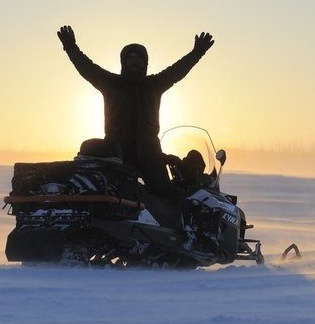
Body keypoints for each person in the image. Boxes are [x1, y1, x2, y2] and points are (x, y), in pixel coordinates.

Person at [57, 25, 214, 198]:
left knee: (166, 196)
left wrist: (196, 53)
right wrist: (71, 48)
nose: (135, 67)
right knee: (115, 196)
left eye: (139, 63)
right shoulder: (111, 83)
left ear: (145, 64)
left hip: (149, 154)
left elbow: (177, 71)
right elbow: (87, 68)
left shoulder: (154, 84)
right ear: (123, 64)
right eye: (131, 62)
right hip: (117, 153)